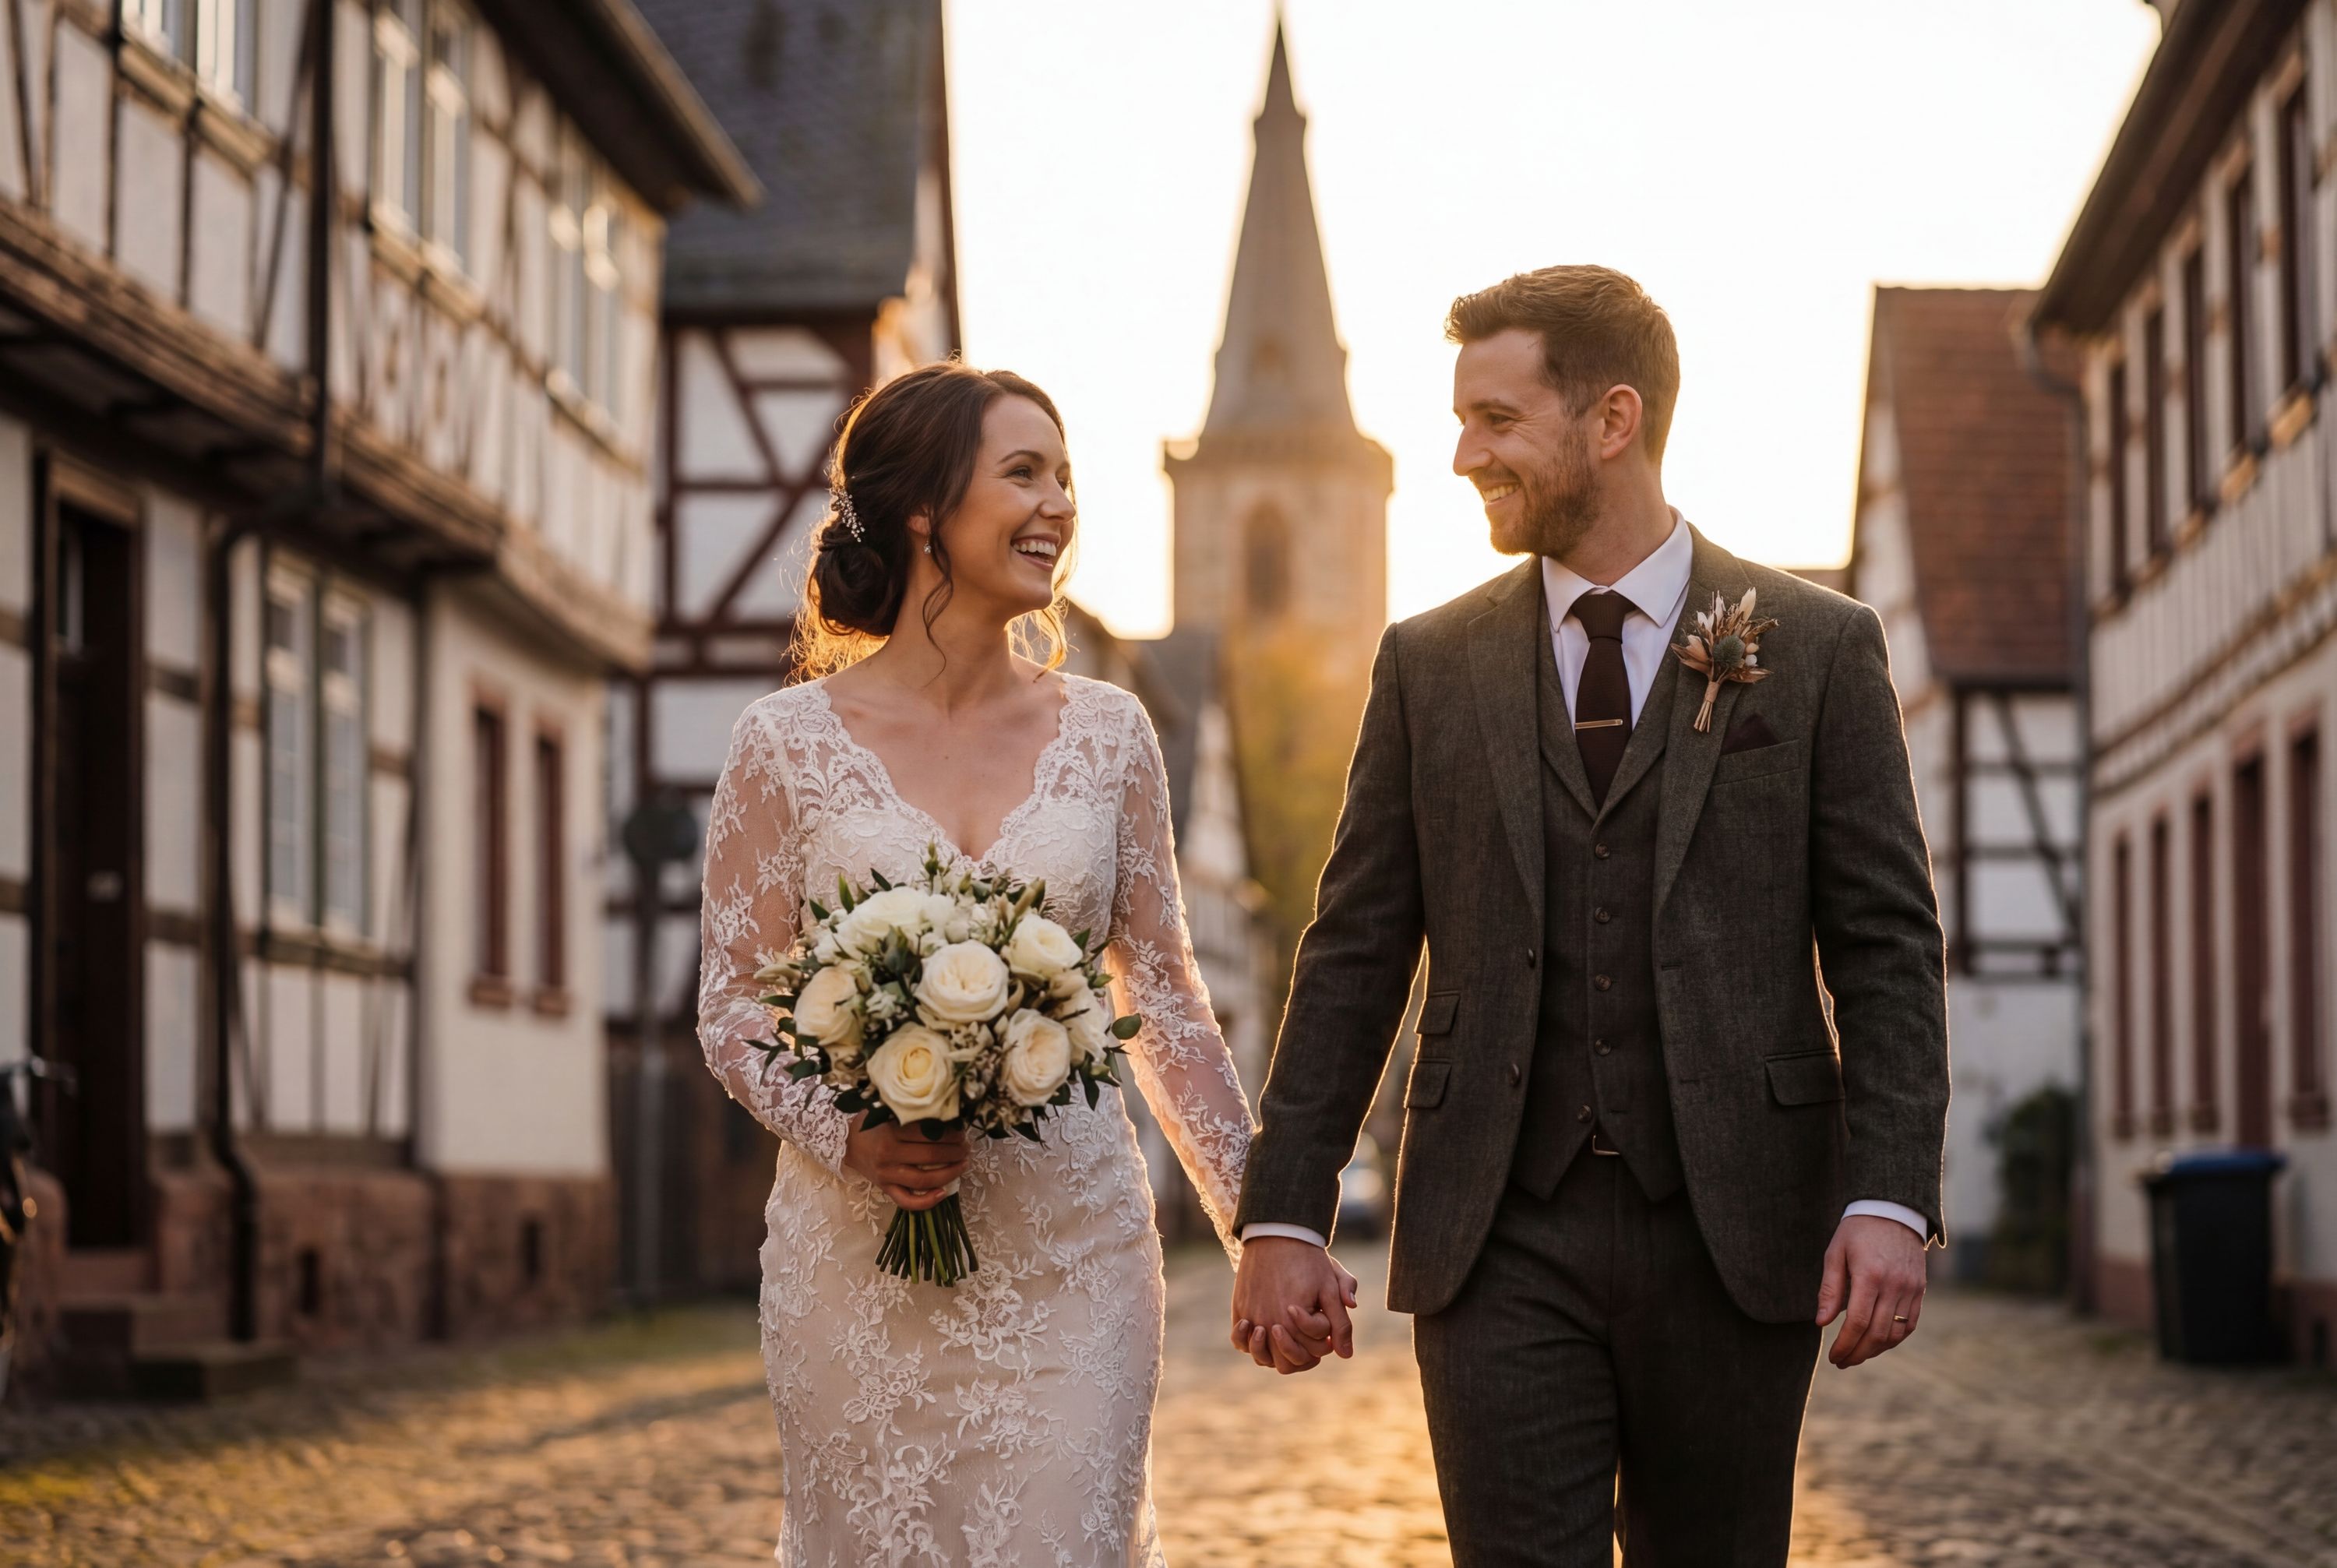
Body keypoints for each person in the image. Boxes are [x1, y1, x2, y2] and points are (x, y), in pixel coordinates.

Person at [1229, 265, 1949, 1565]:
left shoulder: (1817, 643)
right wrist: (1285, 1212)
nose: (1461, 454)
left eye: (1497, 420)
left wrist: (1891, 1192)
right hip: (1498, 1232)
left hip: (1738, 1227)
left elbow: (1888, 943)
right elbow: (1356, 947)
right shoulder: (1427, 664)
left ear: (1611, 420)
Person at [695, 360, 1352, 1565]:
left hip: (1075, 1257)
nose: (1058, 503)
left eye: (1065, 475)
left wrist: (1272, 1221)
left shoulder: (1110, 734)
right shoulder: (781, 747)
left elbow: (1163, 1002)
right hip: (855, 1268)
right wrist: (852, 1133)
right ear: (922, 511)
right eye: (1023, 473)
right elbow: (733, 1005)